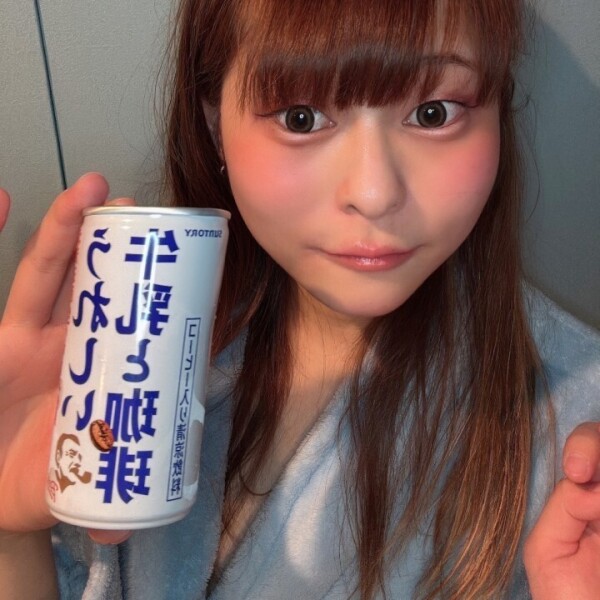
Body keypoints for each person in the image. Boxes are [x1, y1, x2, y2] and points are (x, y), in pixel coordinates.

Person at [0, 0, 599, 598]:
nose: (374, 193)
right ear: (214, 125)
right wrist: (11, 531)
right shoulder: (130, 356)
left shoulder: (578, 431)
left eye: (432, 113)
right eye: (302, 117)